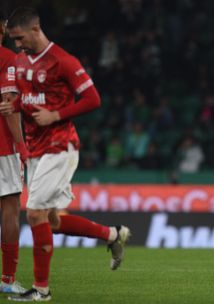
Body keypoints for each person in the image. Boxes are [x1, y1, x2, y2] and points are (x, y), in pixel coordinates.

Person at [0, 7, 131, 301]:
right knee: (52, 222)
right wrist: (15, 107)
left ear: (35, 29)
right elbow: (29, 99)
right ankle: (112, 234)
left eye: (19, 38)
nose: (16, 44)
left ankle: (41, 290)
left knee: (33, 214)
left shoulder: (63, 61)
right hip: (35, 149)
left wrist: (57, 114)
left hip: (60, 146)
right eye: (13, 40)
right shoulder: (20, 62)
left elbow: (93, 99)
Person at [0, 11, 28, 295]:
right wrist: (21, 144)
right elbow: (8, 104)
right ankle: (7, 279)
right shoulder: (7, 58)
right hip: (2, 146)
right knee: (9, 206)